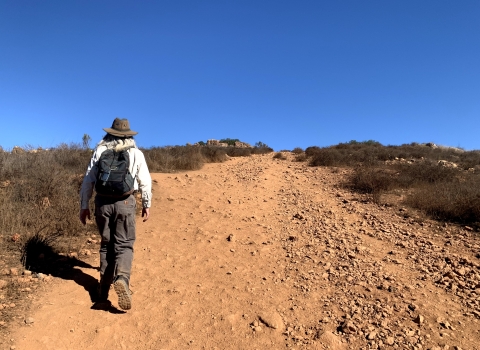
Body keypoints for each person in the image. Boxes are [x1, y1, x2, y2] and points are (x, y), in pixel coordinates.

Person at [79, 118, 152, 310]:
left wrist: (84, 205)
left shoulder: (100, 151)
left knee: (106, 245)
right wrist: (146, 203)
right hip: (125, 202)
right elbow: (145, 180)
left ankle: (103, 291)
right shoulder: (136, 153)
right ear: (129, 135)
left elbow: (88, 180)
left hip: (102, 203)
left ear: (109, 133)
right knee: (124, 244)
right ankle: (123, 279)